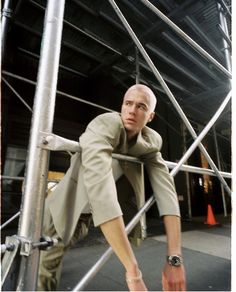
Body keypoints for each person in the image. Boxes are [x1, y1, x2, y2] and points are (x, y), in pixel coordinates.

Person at [38, 84, 186, 291]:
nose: (132, 111)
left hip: (85, 216)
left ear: (150, 117)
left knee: (43, 258)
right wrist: (133, 272)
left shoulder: (151, 141)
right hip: (60, 209)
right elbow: (101, 190)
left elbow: (166, 191)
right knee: (45, 266)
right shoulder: (105, 124)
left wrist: (174, 258)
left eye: (141, 107)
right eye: (128, 103)